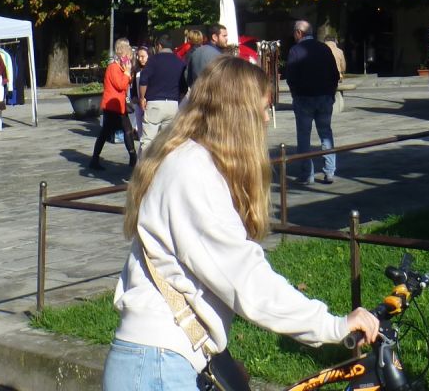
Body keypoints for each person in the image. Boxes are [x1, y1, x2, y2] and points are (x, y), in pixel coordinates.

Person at [105, 57, 378, 390]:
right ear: (236, 114)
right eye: (262, 109)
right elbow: (243, 277)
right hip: (159, 365)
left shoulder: (185, 160)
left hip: (160, 358)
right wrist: (331, 326)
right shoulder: (193, 171)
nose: (266, 119)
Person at [283, 20, 338, 184]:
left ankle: (308, 174)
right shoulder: (324, 48)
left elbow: (291, 76)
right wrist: (331, 93)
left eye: (294, 32)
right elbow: (334, 74)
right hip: (324, 97)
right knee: (326, 134)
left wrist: (295, 93)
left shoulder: (295, 50)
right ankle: (329, 172)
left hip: (304, 98)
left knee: (304, 136)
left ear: (299, 33)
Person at [91, 40, 138, 173]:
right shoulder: (113, 67)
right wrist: (127, 73)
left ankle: (132, 157)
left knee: (123, 130)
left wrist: (127, 73)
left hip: (118, 105)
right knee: (111, 131)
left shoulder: (119, 67)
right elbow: (120, 85)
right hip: (112, 106)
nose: (128, 60)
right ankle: (132, 158)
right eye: (128, 57)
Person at [138, 35, 185, 153]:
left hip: (154, 103)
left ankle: (144, 169)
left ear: (159, 46)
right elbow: (183, 85)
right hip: (173, 104)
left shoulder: (153, 60)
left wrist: (142, 98)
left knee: (148, 140)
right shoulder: (180, 62)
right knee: (168, 141)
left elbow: (143, 80)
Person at [181, 24, 225, 91]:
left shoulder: (192, 52)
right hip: (214, 93)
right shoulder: (216, 54)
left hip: (198, 92)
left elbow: (187, 76)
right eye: (224, 36)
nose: (227, 38)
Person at [128, 43, 150, 140]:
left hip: (149, 104)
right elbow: (133, 87)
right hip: (138, 105)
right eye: (139, 56)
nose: (140, 59)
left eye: (143, 56)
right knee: (141, 133)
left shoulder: (151, 69)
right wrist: (134, 97)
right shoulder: (136, 70)